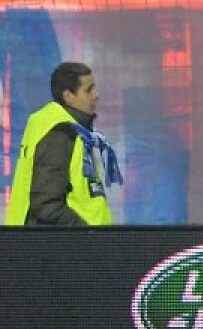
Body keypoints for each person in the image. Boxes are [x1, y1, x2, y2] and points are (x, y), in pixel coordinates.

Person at [4, 61, 122, 226]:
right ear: (68, 97)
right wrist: (86, 234)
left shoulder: (76, 132)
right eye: (88, 90)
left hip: (82, 239)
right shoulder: (59, 134)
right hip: (69, 241)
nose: (96, 95)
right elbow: (47, 205)